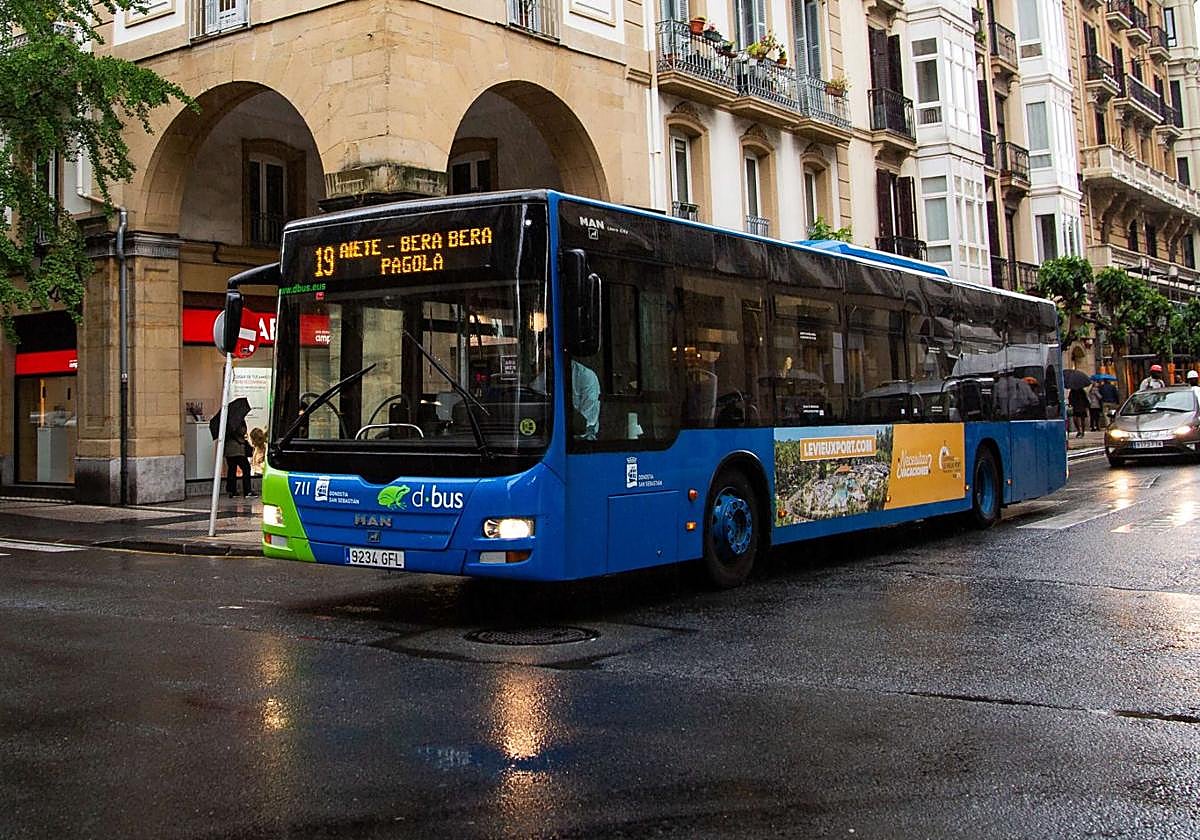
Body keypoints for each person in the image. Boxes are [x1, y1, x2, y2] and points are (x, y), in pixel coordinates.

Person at [224, 419, 253, 498]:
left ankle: (232, 491)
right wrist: (244, 426)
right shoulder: (237, 420)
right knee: (246, 468)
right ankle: (247, 491)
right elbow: (242, 431)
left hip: (228, 450)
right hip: (237, 450)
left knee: (232, 470)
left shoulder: (225, 421)